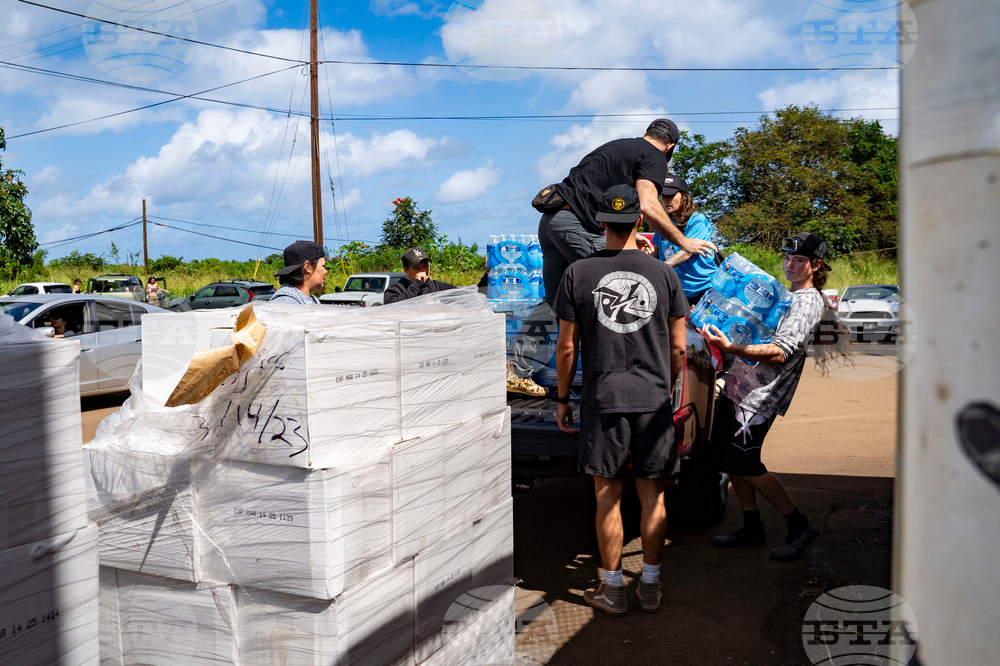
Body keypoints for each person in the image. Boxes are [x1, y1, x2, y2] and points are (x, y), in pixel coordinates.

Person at [552, 185, 689, 615]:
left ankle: (612, 589)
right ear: (640, 220)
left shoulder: (578, 273)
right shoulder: (664, 274)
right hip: (653, 400)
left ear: (599, 222)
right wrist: (668, 387)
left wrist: (562, 397)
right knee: (653, 496)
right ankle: (649, 585)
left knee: (607, 496)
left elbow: (567, 348)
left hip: (603, 399)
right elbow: (680, 347)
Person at [699, 232, 830, 561]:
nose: (790, 264)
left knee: (746, 462)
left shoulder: (807, 302)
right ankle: (752, 526)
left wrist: (731, 346)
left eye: (799, 260)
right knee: (729, 459)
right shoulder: (788, 295)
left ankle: (800, 525)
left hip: (759, 397)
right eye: (788, 258)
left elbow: (780, 352)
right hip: (739, 387)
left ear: (816, 265)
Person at [538, 118, 716, 307]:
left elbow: (593, 194)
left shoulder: (615, 145)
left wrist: (626, 235)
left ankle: (538, 329)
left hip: (551, 221)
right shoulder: (654, 155)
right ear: (670, 147)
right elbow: (647, 205)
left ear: (645, 134)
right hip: (575, 226)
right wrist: (684, 242)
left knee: (557, 303)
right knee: (622, 292)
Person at [647, 175, 718, 305]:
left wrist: (660, 269)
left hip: (704, 289)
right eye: (663, 196)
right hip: (679, 291)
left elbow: (687, 252)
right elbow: (656, 251)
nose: (666, 200)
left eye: (670, 195)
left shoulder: (697, 220)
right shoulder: (665, 222)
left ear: (684, 197)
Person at [383, 247, 455, 304]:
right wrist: (416, 285)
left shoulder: (439, 287)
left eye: (425, 266)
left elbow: (459, 297)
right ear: (406, 270)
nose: (423, 271)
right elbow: (390, 307)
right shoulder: (396, 289)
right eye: (417, 268)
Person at [270, 240, 327, 304]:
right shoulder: (287, 302)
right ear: (308, 267)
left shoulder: (310, 299)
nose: (325, 271)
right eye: (323, 266)